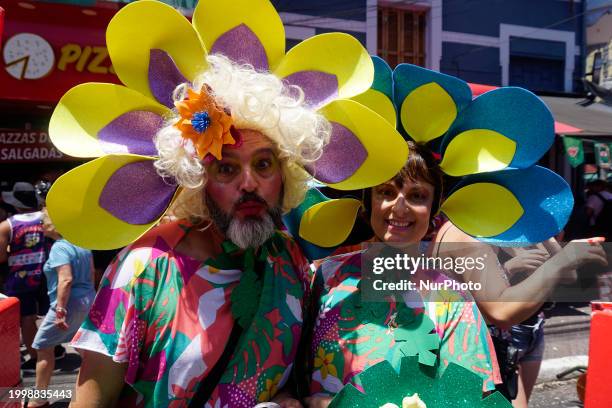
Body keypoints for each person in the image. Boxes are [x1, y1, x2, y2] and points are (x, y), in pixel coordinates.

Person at [45, 1, 400, 406]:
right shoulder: (145, 267)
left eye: (263, 164)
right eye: (226, 169)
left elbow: (275, 374)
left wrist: (285, 399)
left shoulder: (289, 260)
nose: (249, 184)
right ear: (199, 180)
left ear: (286, 173)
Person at [304, 142, 501, 407]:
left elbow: (469, 399)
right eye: (386, 192)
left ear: (433, 209)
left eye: (417, 195)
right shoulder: (328, 278)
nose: (399, 208)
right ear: (367, 201)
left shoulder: (452, 301)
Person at [27, 209, 95, 408]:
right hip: (86, 299)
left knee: (42, 347)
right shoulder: (83, 243)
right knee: (84, 348)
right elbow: (91, 274)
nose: (40, 227)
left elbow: (65, 279)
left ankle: (38, 400)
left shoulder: (59, 247)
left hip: (68, 304)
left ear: (52, 225)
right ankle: (91, 391)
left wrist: (60, 310)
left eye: (43, 223)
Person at [0, 182, 49, 367]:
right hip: (45, 274)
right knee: (47, 315)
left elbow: (1, 256)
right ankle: (54, 348)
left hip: (20, 279)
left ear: (16, 203)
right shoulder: (45, 218)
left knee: (27, 318)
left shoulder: (7, 226)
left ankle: (35, 357)